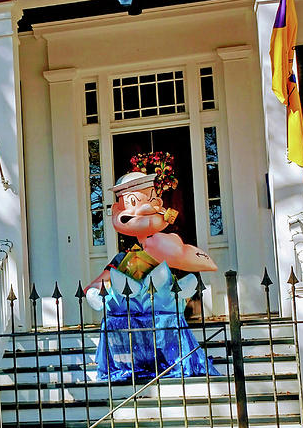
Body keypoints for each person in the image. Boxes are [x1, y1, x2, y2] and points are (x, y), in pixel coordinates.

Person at [85, 156, 218, 382]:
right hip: (134, 318)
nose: (147, 207)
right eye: (132, 203)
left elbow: (207, 264)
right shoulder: (122, 258)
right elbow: (97, 284)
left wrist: (172, 255)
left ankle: (170, 361)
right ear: (117, 209)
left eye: (152, 200)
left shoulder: (168, 243)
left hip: (162, 315)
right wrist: (94, 292)